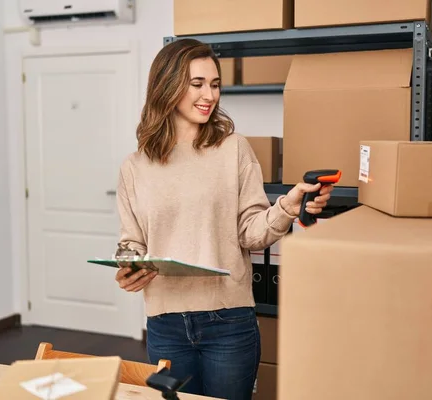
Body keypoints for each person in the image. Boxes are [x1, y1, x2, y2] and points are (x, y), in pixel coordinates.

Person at [113, 38, 334, 399]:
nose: (210, 95)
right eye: (197, 84)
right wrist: (127, 265)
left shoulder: (233, 149)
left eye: (215, 84)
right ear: (167, 86)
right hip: (165, 322)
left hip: (228, 320)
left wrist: (288, 207)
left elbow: (251, 233)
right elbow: (132, 240)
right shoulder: (135, 167)